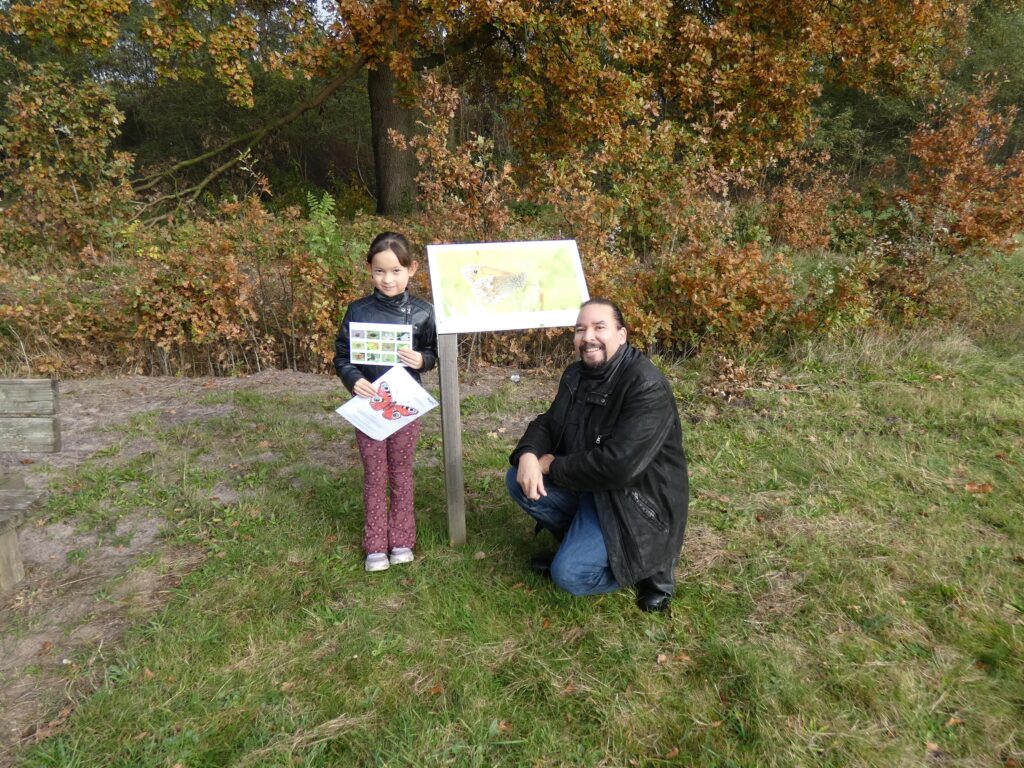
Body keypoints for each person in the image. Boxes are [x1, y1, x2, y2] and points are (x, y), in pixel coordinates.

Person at [506, 298, 688, 612]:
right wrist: (528, 455)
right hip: (592, 487)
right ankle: (579, 546)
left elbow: (619, 465)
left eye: (599, 327)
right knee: (517, 479)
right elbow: (549, 422)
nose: (588, 336)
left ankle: (649, 567)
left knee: (569, 576)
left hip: (634, 502)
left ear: (622, 335)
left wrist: (553, 465)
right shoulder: (576, 375)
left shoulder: (646, 386)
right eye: (580, 329)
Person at [334, 232, 438, 572]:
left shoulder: (423, 312)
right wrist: (354, 380)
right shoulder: (358, 310)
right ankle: (375, 544)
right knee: (374, 474)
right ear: (369, 270)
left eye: (395, 271)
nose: (388, 279)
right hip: (368, 408)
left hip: (406, 406)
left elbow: (433, 352)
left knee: (401, 472)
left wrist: (422, 360)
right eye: (380, 271)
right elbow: (343, 356)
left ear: (412, 269)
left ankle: (403, 539)